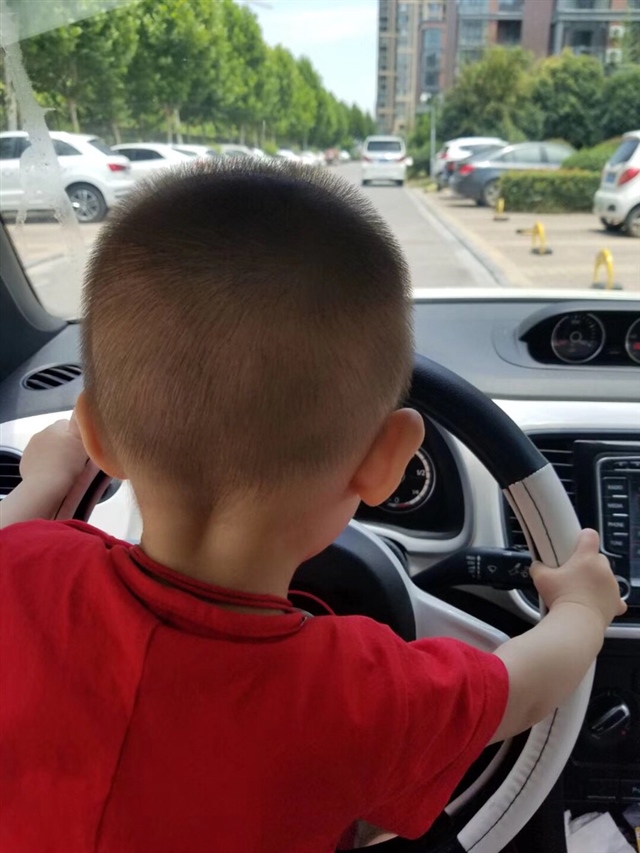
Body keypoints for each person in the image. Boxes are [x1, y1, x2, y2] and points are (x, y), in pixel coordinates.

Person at [0, 160, 625, 853]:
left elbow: (14, 534)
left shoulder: (24, 569)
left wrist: (44, 481)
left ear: (97, 435)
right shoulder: (368, 698)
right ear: (388, 460)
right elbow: (529, 687)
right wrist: (583, 607)